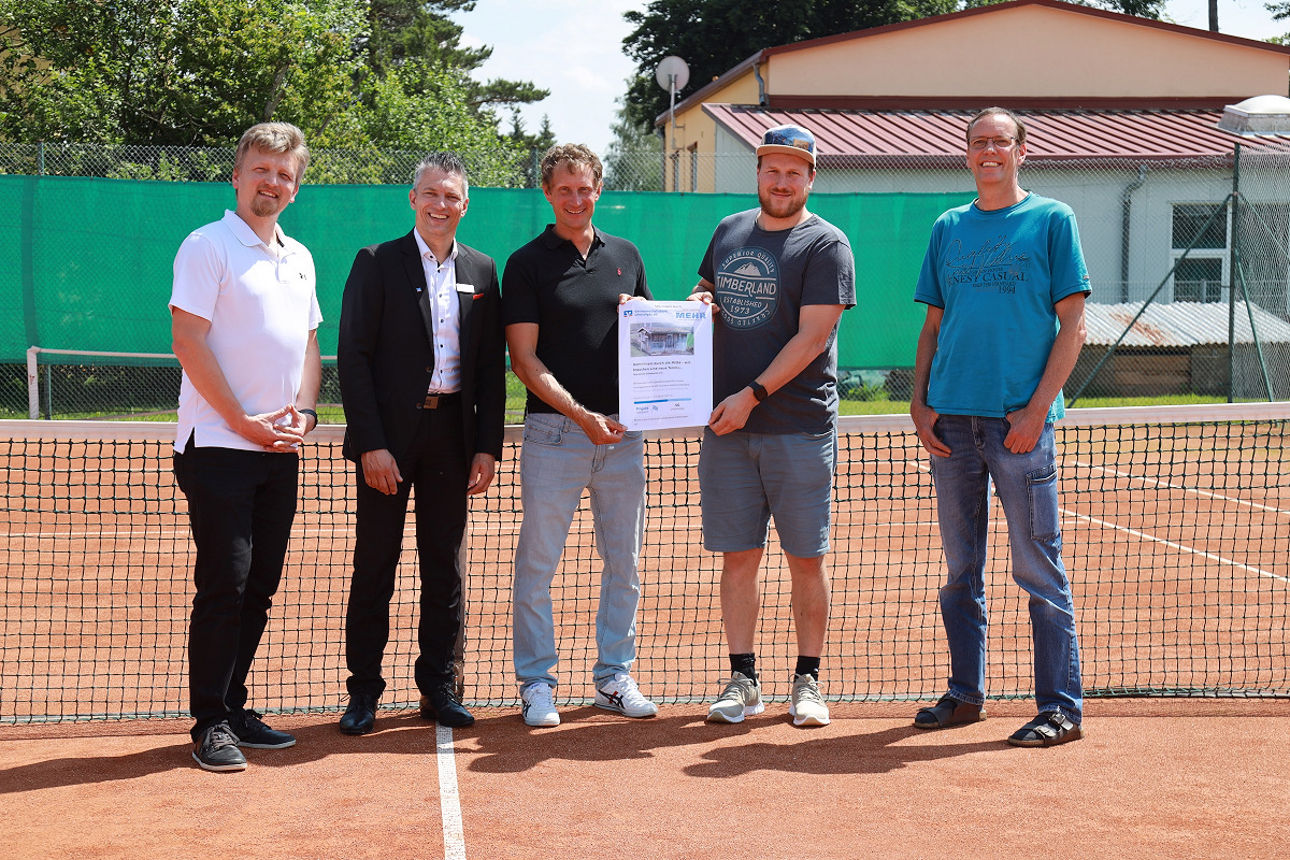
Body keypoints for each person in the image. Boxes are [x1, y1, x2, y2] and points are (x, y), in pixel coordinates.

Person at [910, 107, 1089, 747]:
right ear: (967, 154)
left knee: (1039, 568)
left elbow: (1072, 325)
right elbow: (932, 326)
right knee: (961, 570)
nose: (989, 151)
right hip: (951, 424)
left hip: (1020, 424)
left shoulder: (1052, 220)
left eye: (1000, 142)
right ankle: (965, 694)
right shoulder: (947, 227)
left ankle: (1060, 708)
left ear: (1020, 150)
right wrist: (918, 400)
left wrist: (1038, 408)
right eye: (979, 143)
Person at [689, 124, 855, 727]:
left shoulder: (826, 245)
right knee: (739, 558)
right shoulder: (728, 230)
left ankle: (807, 683)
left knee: (804, 559)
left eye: (794, 172)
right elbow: (706, 289)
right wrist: (699, 301)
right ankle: (744, 679)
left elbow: (814, 338)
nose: (781, 181)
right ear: (758, 173)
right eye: (771, 169)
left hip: (797, 426)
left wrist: (750, 396)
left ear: (810, 178)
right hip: (727, 428)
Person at [336, 152, 506, 734]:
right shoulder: (376, 262)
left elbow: (489, 367)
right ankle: (364, 693)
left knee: (446, 570)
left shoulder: (482, 270)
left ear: (465, 204)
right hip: (390, 441)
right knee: (374, 567)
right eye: (430, 194)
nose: (440, 205)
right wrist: (370, 445)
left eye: (451, 196)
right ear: (413, 199)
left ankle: (440, 684)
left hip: (453, 440)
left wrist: (487, 446)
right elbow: (353, 359)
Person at [170, 122, 322, 772]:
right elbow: (189, 342)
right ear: (237, 175)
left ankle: (232, 705)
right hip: (216, 447)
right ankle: (208, 723)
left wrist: (306, 415)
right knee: (225, 584)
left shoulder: (302, 257)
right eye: (261, 170)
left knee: (260, 585)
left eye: (284, 174)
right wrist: (242, 420)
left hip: (279, 452)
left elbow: (311, 347)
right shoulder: (206, 246)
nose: (272, 182)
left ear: (295, 186)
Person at [504, 143, 657, 727]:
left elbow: (654, 339)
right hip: (554, 435)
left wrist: (673, 311)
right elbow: (524, 358)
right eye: (564, 189)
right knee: (538, 564)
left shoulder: (626, 254)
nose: (575, 198)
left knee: (626, 563)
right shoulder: (527, 263)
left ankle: (614, 678)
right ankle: (537, 682)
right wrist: (580, 416)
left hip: (624, 436)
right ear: (548, 193)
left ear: (599, 190)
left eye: (584, 188)